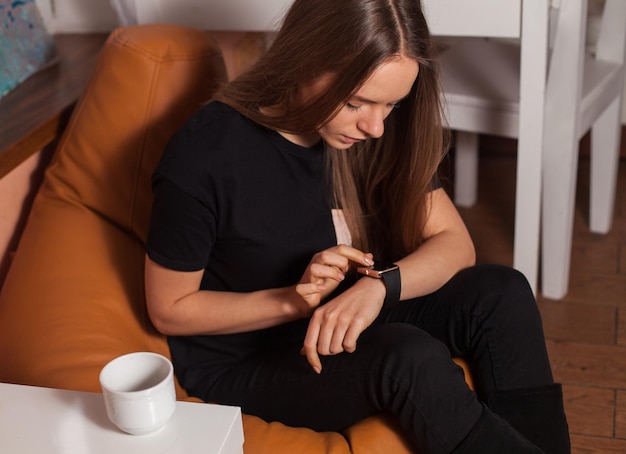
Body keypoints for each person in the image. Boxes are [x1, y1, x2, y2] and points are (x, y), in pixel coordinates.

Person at [144, 0, 570, 452]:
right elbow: (169, 309)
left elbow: (456, 244)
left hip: (339, 319)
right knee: (406, 358)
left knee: (501, 292)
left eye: (391, 104)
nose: (376, 126)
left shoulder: (368, 130)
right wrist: (292, 301)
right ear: (304, 58)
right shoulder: (207, 154)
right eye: (356, 102)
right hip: (247, 361)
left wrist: (379, 287)